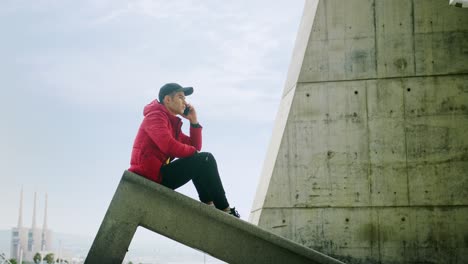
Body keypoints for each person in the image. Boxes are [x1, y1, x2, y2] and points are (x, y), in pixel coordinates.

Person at [128, 83, 240, 218]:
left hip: (157, 174)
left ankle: (210, 206)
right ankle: (225, 209)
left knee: (202, 160)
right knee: (205, 159)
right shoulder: (155, 117)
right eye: (180, 97)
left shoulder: (171, 123)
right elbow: (168, 145)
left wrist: (193, 121)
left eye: (185, 98)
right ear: (167, 100)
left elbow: (195, 146)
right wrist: (194, 154)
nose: (185, 102)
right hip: (150, 174)